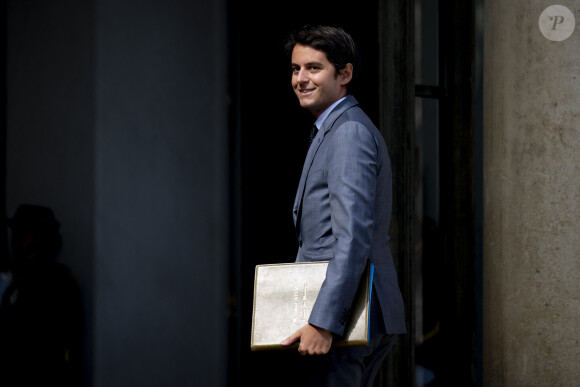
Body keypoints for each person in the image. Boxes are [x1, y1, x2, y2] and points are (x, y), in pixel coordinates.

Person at [280, 25, 406, 386]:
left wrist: (323, 321)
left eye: (314, 68)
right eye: (295, 69)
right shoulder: (334, 128)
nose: (301, 79)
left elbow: (353, 237)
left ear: (345, 73)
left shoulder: (348, 132)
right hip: (348, 315)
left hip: (347, 318)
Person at [0, 205, 82, 386]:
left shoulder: (59, 283)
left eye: (24, 232)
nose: (17, 240)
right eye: (17, 232)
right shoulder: (16, 280)